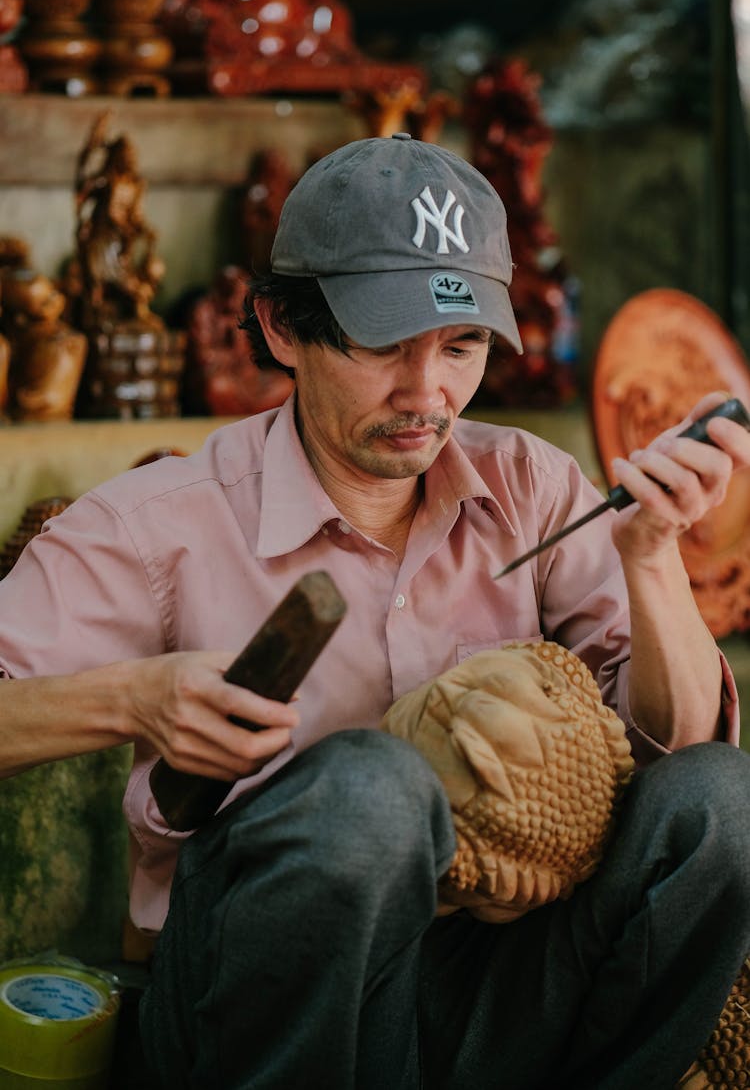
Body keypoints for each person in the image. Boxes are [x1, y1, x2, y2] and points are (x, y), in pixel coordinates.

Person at [1, 134, 750, 1090]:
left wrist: (652, 561)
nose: (426, 393)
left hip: (487, 980)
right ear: (281, 327)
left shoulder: (535, 488)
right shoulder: (163, 524)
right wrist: (136, 699)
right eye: (382, 342)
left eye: (462, 345)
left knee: (722, 800)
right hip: (252, 995)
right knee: (370, 787)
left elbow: (677, 760)